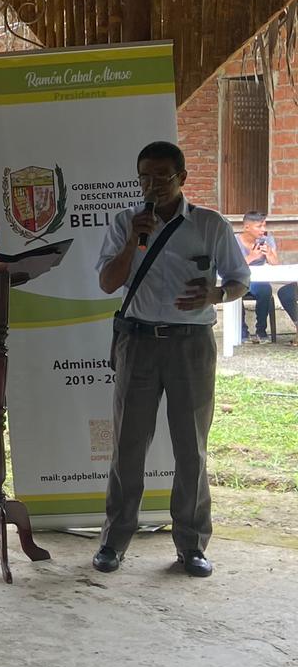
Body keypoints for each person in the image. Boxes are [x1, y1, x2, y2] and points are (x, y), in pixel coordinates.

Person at [92, 141, 249, 579]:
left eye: (162, 176)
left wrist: (216, 294)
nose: (152, 185)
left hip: (190, 345)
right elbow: (108, 283)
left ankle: (191, 545)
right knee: (128, 445)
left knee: (190, 448)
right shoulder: (125, 222)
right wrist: (132, 240)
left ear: (182, 178)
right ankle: (114, 540)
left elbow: (240, 280)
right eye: (144, 176)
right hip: (138, 342)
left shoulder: (209, 224)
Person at [237, 211, 298, 345]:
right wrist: (251, 257)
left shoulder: (267, 239)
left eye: (264, 225)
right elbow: (231, 266)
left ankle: (261, 331)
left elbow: (276, 265)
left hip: (259, 280)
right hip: (240, 279)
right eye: (259, 226)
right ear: (247, 227)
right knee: (234, 291)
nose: (263, 230)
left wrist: (269, 254)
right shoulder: (234, 241)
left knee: (265, 290)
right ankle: (242, 332)